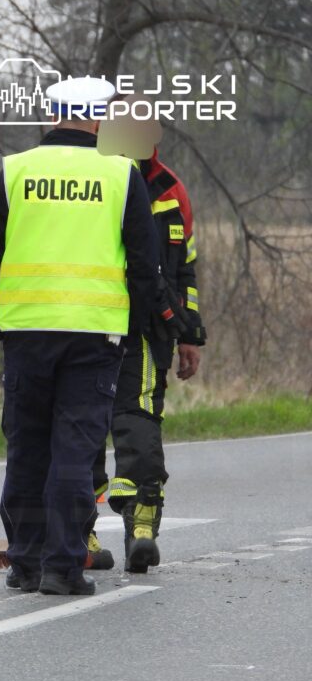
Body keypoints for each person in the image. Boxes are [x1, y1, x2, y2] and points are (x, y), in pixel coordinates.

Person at [0, 76, 160, 595]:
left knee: (27, 449)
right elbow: (145, 266)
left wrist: (1, 323)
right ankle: (62, 567)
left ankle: (25, 563)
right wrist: (131, 330)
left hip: (26, 333)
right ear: (99, 117)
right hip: (95, 337)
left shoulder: (16, 171)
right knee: (75, 452)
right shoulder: (121, 175)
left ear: (52, 115)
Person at [89, 147, 206, 573]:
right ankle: (81, 529)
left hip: (149, 324)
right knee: (82, 423)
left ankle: (141, 529)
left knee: (139, 418)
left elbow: (184, 267)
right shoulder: (93, 174)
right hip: (90, 320)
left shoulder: (170, 188)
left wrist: (190, 333)